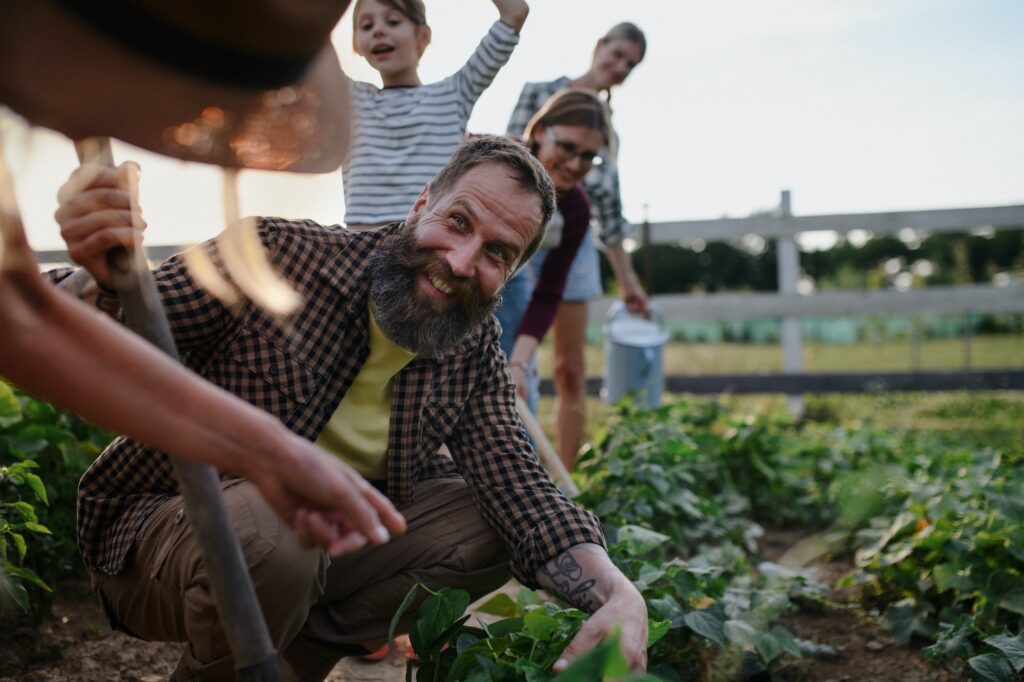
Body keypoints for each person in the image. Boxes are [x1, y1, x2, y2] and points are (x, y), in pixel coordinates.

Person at [53, 136, 648, 681]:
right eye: (458, 222)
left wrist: (622, 596)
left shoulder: (471, 352)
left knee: (490, 520)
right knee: (280, 525)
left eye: (496, 254)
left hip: (302, 556)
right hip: (159, 532)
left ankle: (289, 663)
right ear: (421, 205)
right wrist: (101, 283)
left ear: (509, 276)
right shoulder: (280, 254)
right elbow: (136, 318)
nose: (463, 262)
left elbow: (520, 489)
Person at [0, 159, 402, 558]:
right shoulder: (286, 250)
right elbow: (28, 320)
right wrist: (104, 287)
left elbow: (24, 320)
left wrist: (271, 451)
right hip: (163, 516)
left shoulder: (457, 336)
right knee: (267, 536)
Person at [506, 22, 650, 469]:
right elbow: (510, 149)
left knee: (570, 367)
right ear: (599, 47)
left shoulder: (609, 133)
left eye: (631, 64)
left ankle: (563, 473)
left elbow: (611, 211)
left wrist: (628, 281)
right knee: (507, 347)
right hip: (521, 222)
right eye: (619, 54)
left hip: (571, 231)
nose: (620, 66)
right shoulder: (540, 92)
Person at [342, 0, 528, 229]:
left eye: (393, 21)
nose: (378, 31)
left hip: (426, 243)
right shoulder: (350, 98)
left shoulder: (454, 94)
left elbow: (515, 12)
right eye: (367, 26)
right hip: (362, 246)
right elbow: (304, 37)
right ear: (356, 43)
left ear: (423, 36)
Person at [494, 89, 611, 417]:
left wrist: (518, 362)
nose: (576, 164)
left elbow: (548, 294)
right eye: (567, 148)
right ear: (542, 131)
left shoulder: (576, 210)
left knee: (518, 386)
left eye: (588, 156)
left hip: (513, 283)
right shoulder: (498, 160)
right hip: (457, 278)